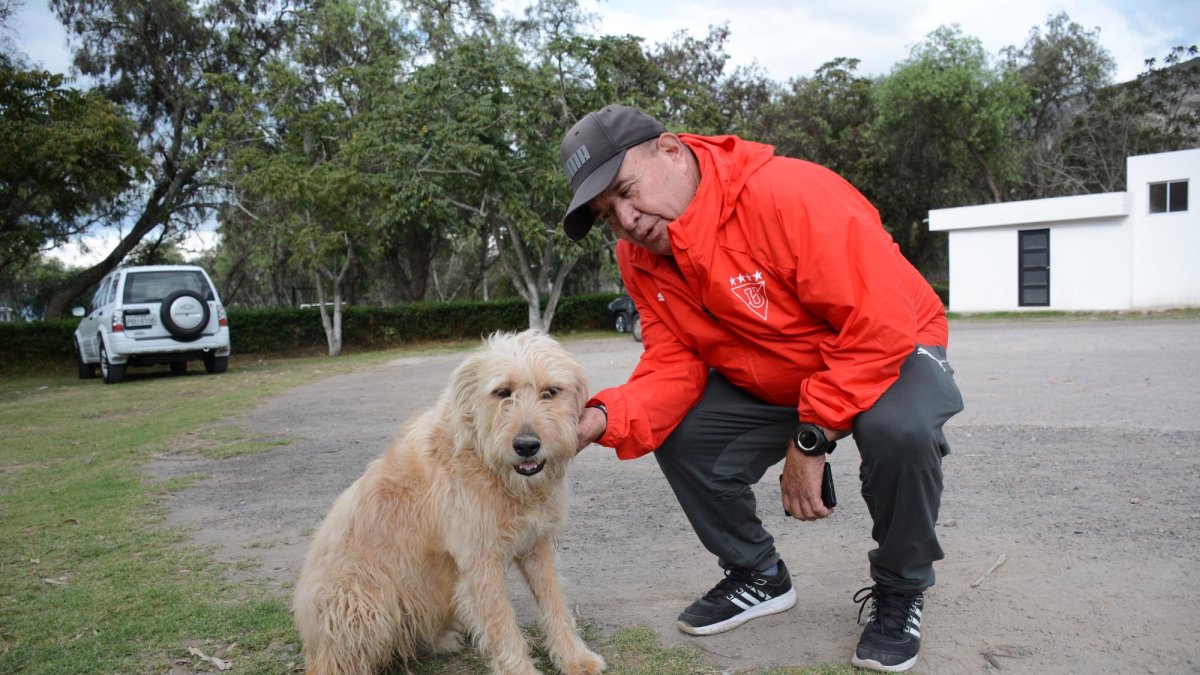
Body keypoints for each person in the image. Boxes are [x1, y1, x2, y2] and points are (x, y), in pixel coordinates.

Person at [559, 104, 964, 673]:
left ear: (672, 150)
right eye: (607, 215)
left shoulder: (788, 194)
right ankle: (758, 574)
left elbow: (877, 324)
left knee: (899, 431)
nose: (626, 220)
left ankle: (900, 590)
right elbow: (672, 365)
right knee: (682, 436)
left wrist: (810, 440)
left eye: (627, 190)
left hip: (891, 342)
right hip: (780, 373)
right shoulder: (641, 258)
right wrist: (601, 417)